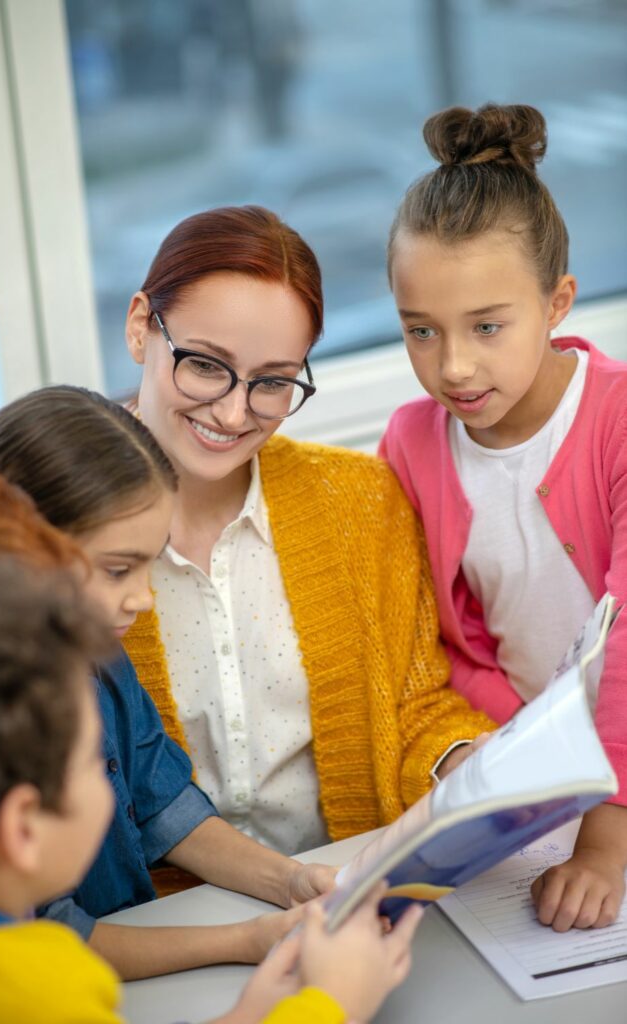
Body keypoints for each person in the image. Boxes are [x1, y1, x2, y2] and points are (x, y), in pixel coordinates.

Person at [117, 203, 494, 859]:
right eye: (204, 365)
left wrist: (462, 762)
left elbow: (412, 711)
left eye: (272, 382)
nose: (233, 412)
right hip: (153, 921)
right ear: (140, 327)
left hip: (342, 888)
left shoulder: (360, 501)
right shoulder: (54, 519)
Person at [0, 548, 424, 1024]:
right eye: (94, 766)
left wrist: (249, 1011)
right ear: (22, 828)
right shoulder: (46, 988)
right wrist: (334, 1002)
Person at [0, 391, 336, 980]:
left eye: (149, 564)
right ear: (21, 551)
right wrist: (245, 940)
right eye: (118, 570)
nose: (142, 597)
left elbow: (163, 802)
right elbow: (52, 935)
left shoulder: (101, 657)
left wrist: (288, 879)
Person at [379, 102, 627, 932]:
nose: (452, 366)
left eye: (487, 327)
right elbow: (433, 641)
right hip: (538, 784)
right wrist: (516, 763)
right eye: (420, 331)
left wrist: (601, 841)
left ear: (557, 302)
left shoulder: (617, 422)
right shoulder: (411, 445)